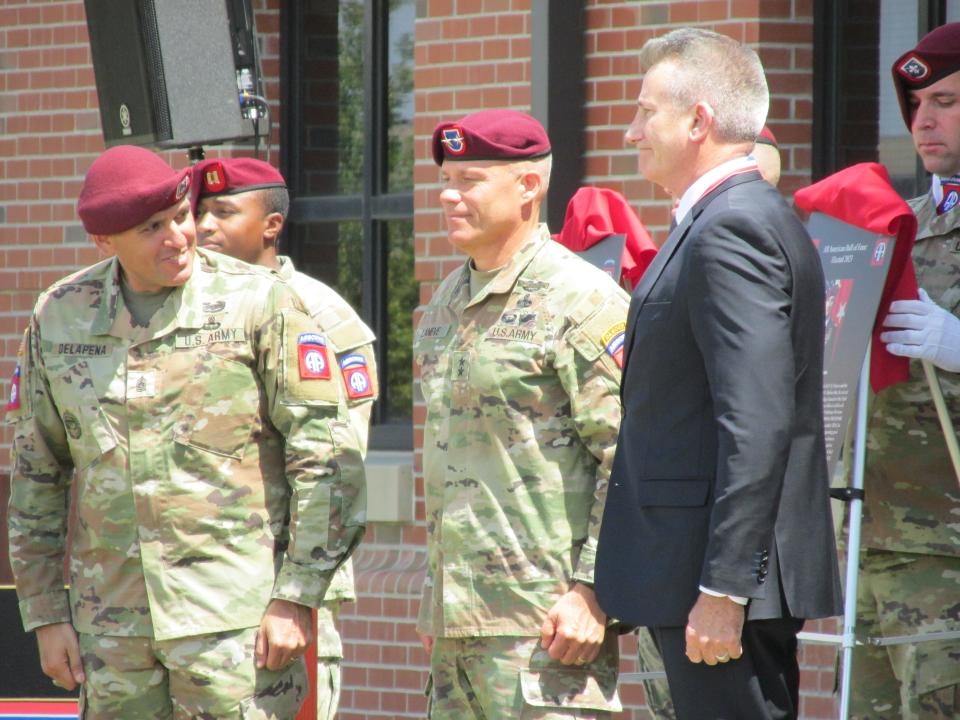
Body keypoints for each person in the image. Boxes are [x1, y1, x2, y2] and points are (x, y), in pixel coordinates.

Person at [5, 145, 366, 719]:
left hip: (237, 628)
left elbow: (325, 457)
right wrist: (47, 613)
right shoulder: (60, 314)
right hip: (114, 631)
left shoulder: (260, 302)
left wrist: (297, 597)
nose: (180, 236)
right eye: (152, 228)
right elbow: (36, 473)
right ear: (105, 242)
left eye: (180, 216)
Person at [594, 28, 842, 720]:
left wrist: (726, 589)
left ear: (698, 120)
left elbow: (758, 419)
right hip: (696, 574)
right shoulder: (721, 219)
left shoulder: (732, 226)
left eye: (646, 112)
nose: (630, 131)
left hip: (718, 583)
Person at [414, 109, 628, 718]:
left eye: (471, 180)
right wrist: (438, 598)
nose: (450, 196)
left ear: (528, 187)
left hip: (547, 629)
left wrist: (595, 592)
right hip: (459, 627)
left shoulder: (581, 300)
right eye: (447, 180)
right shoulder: (446, 302)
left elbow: (630, 456)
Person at [192, 156, 378, 720]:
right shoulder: (193, 306)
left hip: (284, 587)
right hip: (200, 585)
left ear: (271, 226)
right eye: (198, 213)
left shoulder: (318, 314)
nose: (203, 227)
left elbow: (334, 460)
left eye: (224, 211)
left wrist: (296, 590)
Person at [849, 22, 960, 719]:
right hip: (875, 533)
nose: (924, 120)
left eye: (946, 101)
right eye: (916, 106)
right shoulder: (899, 225)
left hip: (948, 552)